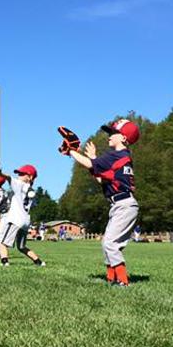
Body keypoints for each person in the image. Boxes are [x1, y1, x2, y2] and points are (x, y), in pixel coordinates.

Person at [66, 119, 140, 286]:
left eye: (113, 133)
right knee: (107, 243)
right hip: (121, 204)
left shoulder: (116, 155)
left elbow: (88, 164)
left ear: (123, 138)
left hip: (123, 204)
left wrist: (71, 151)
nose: (109, 136)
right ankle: (111, 278)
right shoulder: (122, 157)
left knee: (110, 243)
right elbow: (102, 178)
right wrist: (92, 157)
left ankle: (122, 281)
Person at [0, 165, 44, 267]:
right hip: (26, 221)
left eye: (22, 174)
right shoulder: (31, 190)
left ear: (30, 177)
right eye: (18, 173)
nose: (18, 175)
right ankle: (39, 262)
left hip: (15, 219)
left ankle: (5, 262)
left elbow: (8, 177)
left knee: (1, 242)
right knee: (21, 247)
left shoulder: (19, 184)